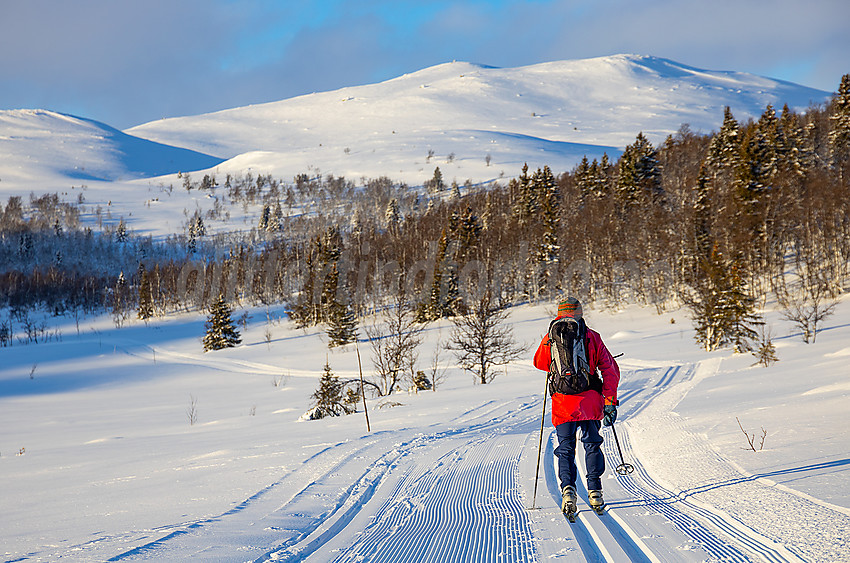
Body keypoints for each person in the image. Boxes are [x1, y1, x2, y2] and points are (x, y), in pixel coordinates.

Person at [532, 297, 620, 515]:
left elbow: (539, 363)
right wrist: (609, 401)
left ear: (560, 313)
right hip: (590, 402)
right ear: (580, 312)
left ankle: (568, 491)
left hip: (563, 403)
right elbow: (610, 370)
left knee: (566, 448)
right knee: (592, 445)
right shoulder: (592, 336)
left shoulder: (551, 336)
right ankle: (594, 491)